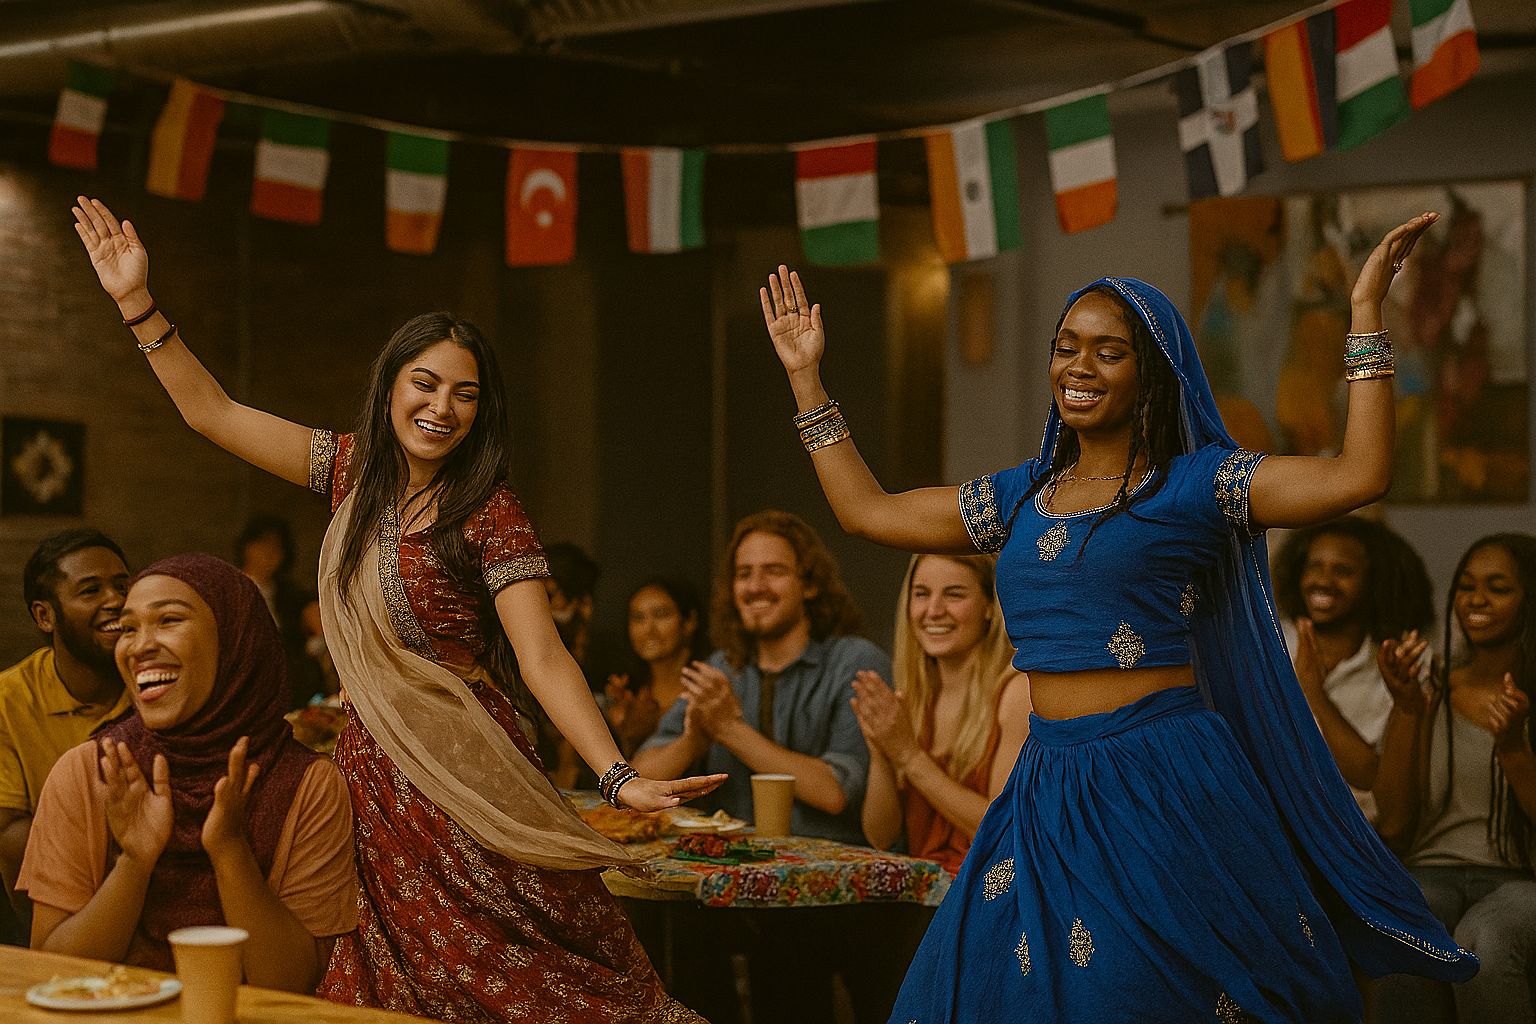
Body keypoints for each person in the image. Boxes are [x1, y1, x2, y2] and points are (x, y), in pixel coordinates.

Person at [758, 210, 1477, 1024]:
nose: (1080, 365)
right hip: (1048, 787)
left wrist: (1365, 317)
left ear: (1151, 374)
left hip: (1160, 783)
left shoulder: (1196, 486)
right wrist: (806, 379)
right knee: (973, 998)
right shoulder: (1019, 496)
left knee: (1134, 999)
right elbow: (867, 512)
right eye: (1067, 346)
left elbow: (1361, 473)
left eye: (1109, 350)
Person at [71, 196, 721, 1022]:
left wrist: (616, 773)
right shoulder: (346, 473)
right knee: (388, 986)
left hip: (466, 772)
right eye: (425, 383)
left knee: (529, 979)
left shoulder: (488, 508)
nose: (441, 408)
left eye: (465, 395)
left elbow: (542, 655)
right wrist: (137, 303)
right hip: (371, 778)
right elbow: (214, 413)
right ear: (390, 388)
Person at [17, 554, 356, 989]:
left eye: (168, 621)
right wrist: (134, 864)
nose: (139, 646)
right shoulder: (92, 771)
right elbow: (54, 974)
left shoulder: (309, 785)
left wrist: (230, 850)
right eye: (128, 628)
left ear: (236, 639)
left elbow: (292, 984)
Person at [633, 510, 886, 845]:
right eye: (743, 574)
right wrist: (692, 742)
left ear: (809, 584)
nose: (755, 587)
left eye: (774, 571)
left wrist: (729, 730)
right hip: (731, 870)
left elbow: (836, 793)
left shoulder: (854, 662)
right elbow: (638, 781)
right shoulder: (721, 669)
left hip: (827, 879)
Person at [1373, 533, 1536, 1024]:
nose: (1476, 600)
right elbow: (1396, 822)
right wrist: (1407, 710)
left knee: (1484, 937)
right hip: (1431, 870)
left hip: (1521, 879)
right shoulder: (1432, 684)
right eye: (1466, 586)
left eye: (1498, 587)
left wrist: (1512, 747)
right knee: (1406, 929)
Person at [853, 554, 1030, 875]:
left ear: (989, 606)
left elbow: (1004, 829)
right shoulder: (915, 693)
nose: (933, 610)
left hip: (989, 890)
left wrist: (908, 756)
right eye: (921, 594)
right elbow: (880, 836)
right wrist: (880, 751)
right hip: (924, 890)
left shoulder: (1016, 692)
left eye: (954, 594)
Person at [0, 529, 133, 932]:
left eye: (122, 585)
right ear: (45, 616)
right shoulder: (9, 698)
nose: (116, 601)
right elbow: (8, 833)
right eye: (90, 590)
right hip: (49, 907)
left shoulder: (157, 681)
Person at [1273, 516, 1435, 820]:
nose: (1323, 580)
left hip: (1357, 836)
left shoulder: (1399, 661)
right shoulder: (1272, 641)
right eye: (1313, 566)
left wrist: (1311, 691)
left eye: (1343, 571)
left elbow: (1370, 776)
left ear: (1376, 582)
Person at [606, 578, 708, 758]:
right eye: (638, 618)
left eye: (661, 615)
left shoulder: (708, 687)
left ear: (689, 621)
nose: (648, 629)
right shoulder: (630, 694)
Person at [235, 514, 324, 708]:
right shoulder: (231, 588)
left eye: (277, 547)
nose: (270, 552)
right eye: (263, 543)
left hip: (292, 689)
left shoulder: (290, 594)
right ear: (247, 546)